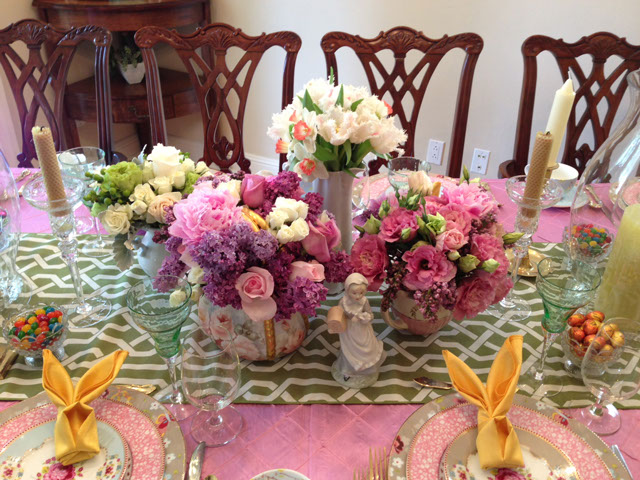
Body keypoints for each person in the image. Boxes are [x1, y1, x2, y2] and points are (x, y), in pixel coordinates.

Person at [331, 273, 385, 387]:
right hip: (349, 330)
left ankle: (365, 370)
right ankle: (348, 370)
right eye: (354, 293)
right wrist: (344, 319)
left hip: (362, 329)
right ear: (347, 290)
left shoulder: (364, 301)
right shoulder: (343, 302)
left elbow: (370, 314)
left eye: (361, 293)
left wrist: (365, 317)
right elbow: (339, 314)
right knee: (349, 350)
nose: (358, 296)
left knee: (366, 349)